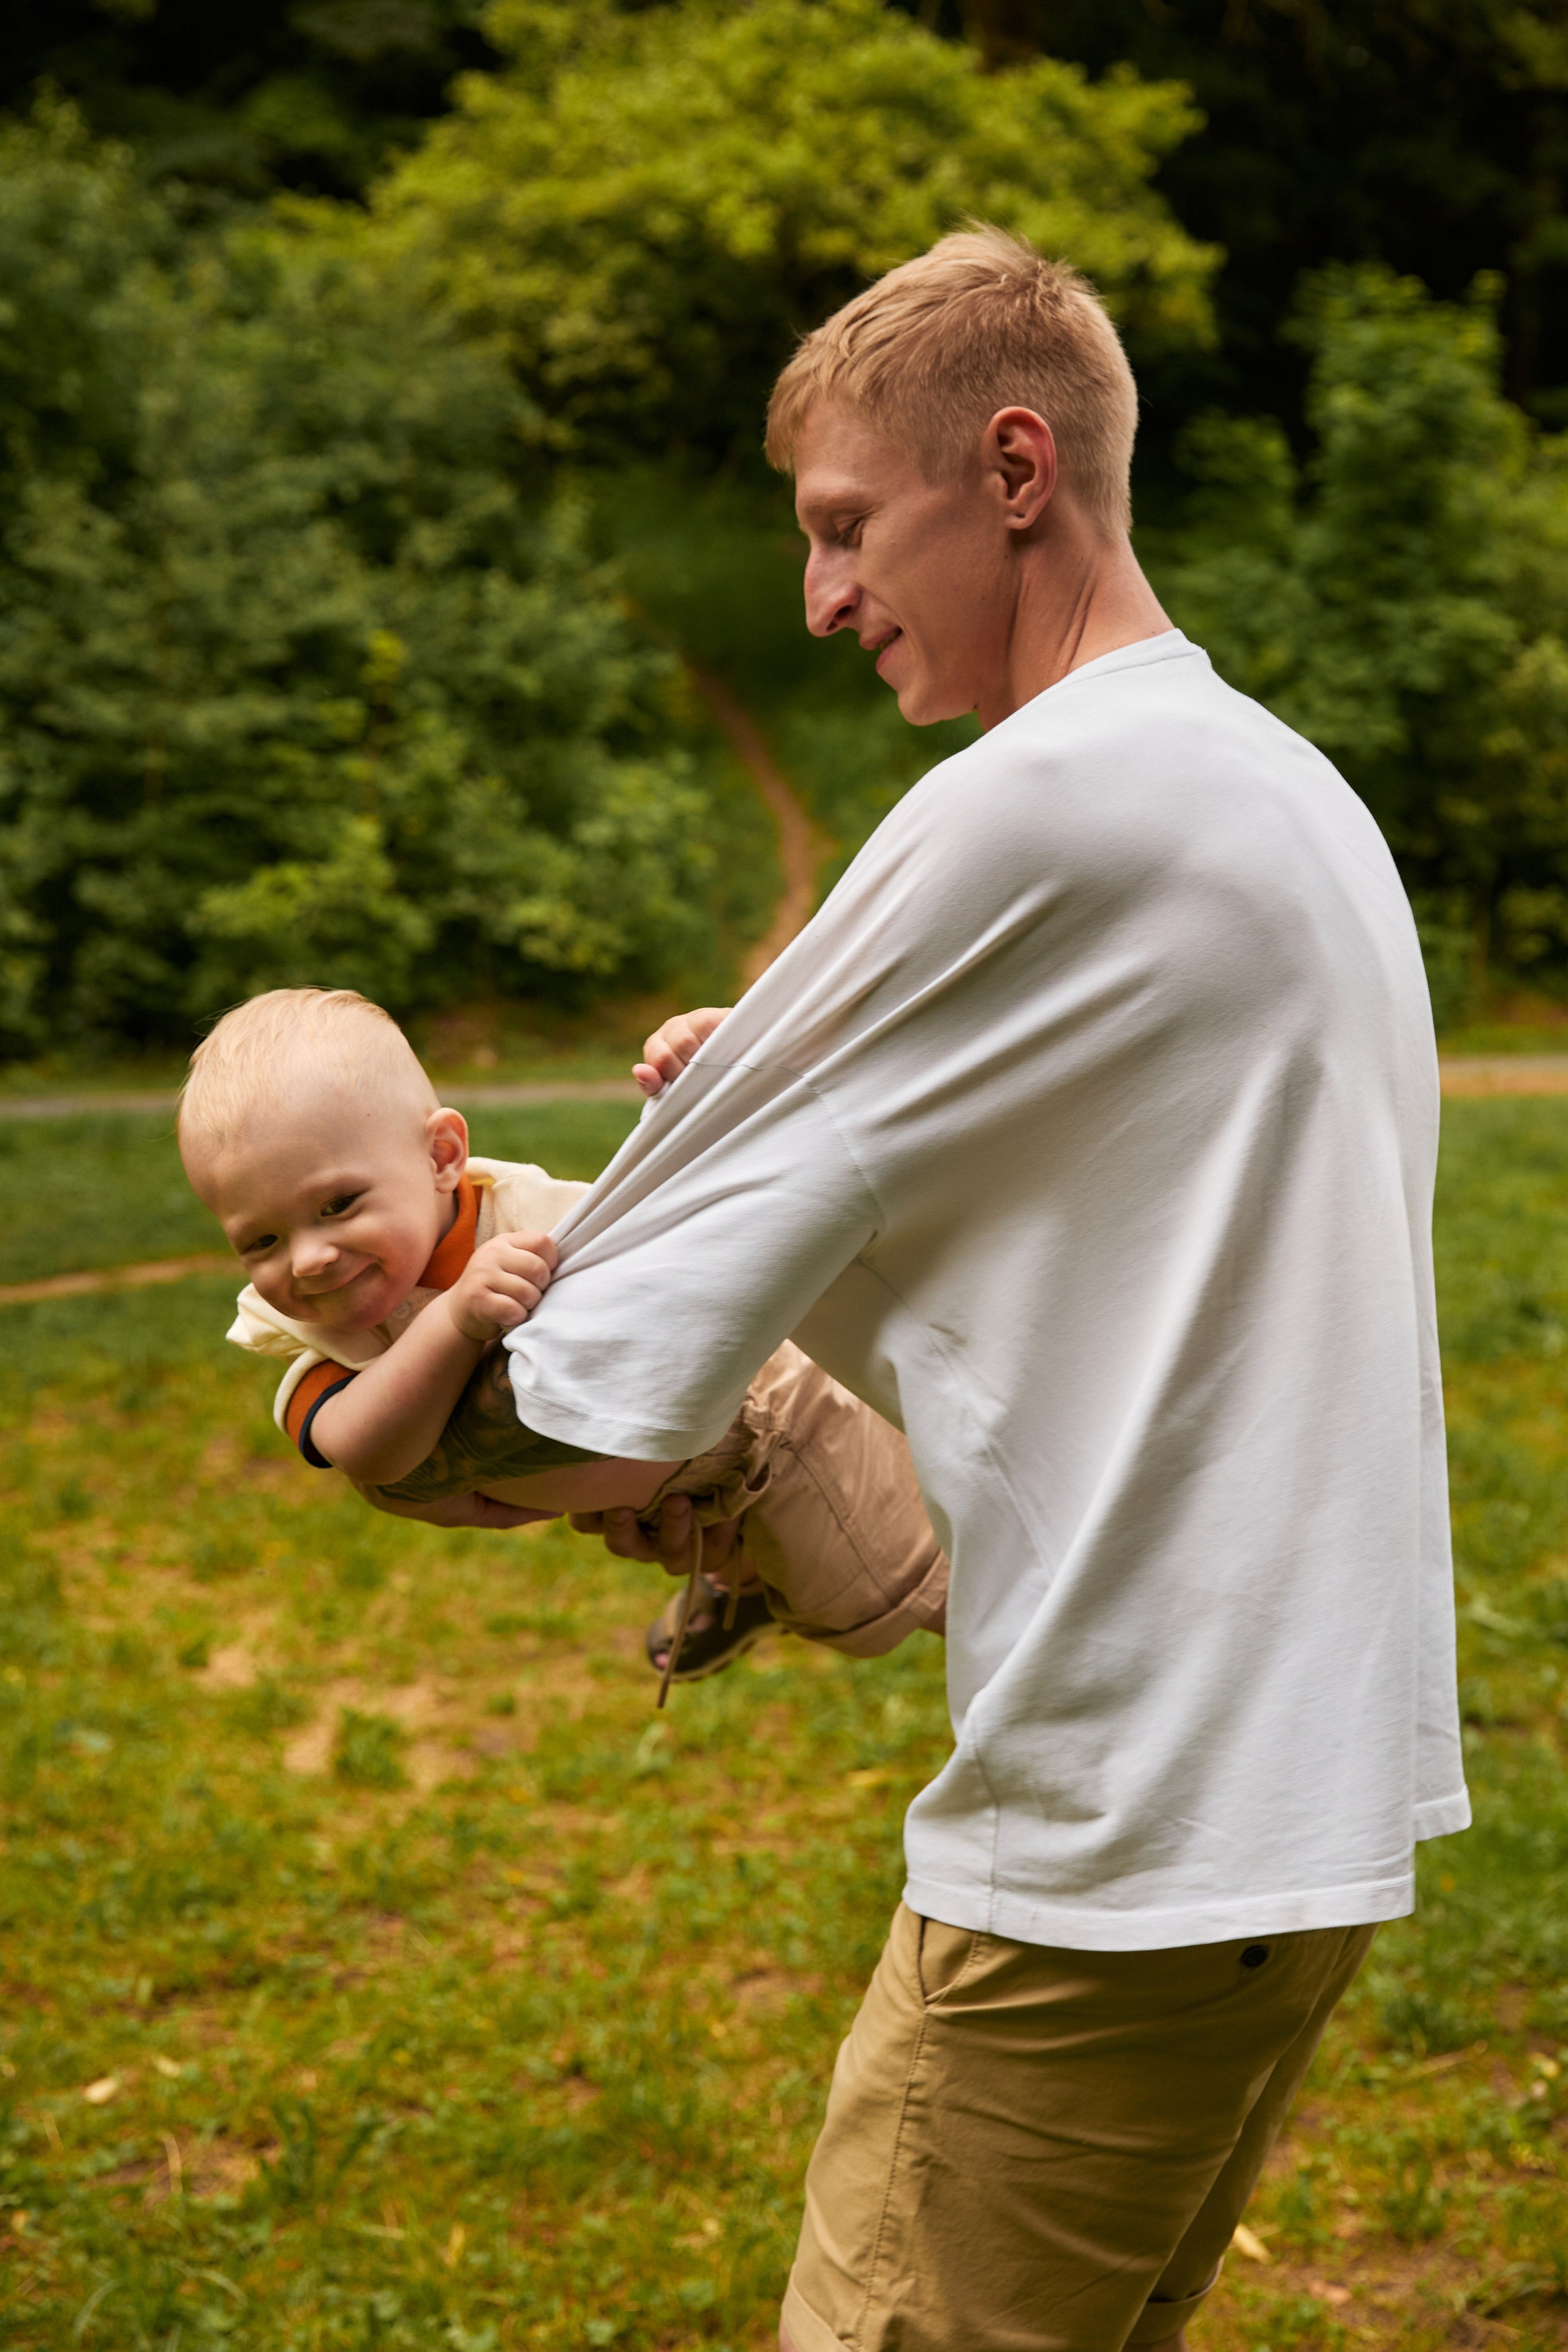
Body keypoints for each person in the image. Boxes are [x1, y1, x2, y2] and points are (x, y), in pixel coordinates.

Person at [361, 227, 1468, 2351]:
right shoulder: (1279, 790)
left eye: (846, 525)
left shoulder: (1024, 806)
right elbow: (1117, 1242)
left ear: (1016, 469)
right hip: (1294, 1830)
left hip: (1112, 1840)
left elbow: (581, 1399)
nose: (817, 595)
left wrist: (365, 1380)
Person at [176, 987, 948, 1684]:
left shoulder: (534, 1222)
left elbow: (693, 1207)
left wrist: (695, 1072)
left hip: (780, 1427)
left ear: (442, 1157)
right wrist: (452, 1321)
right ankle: (742, 1582)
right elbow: (365, 1452)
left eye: (338, 1204)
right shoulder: (313, 1338)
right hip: (688, 1488)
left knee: (926, 1586)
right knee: (825, 1571)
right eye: (261, 1241)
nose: (308, 1259)